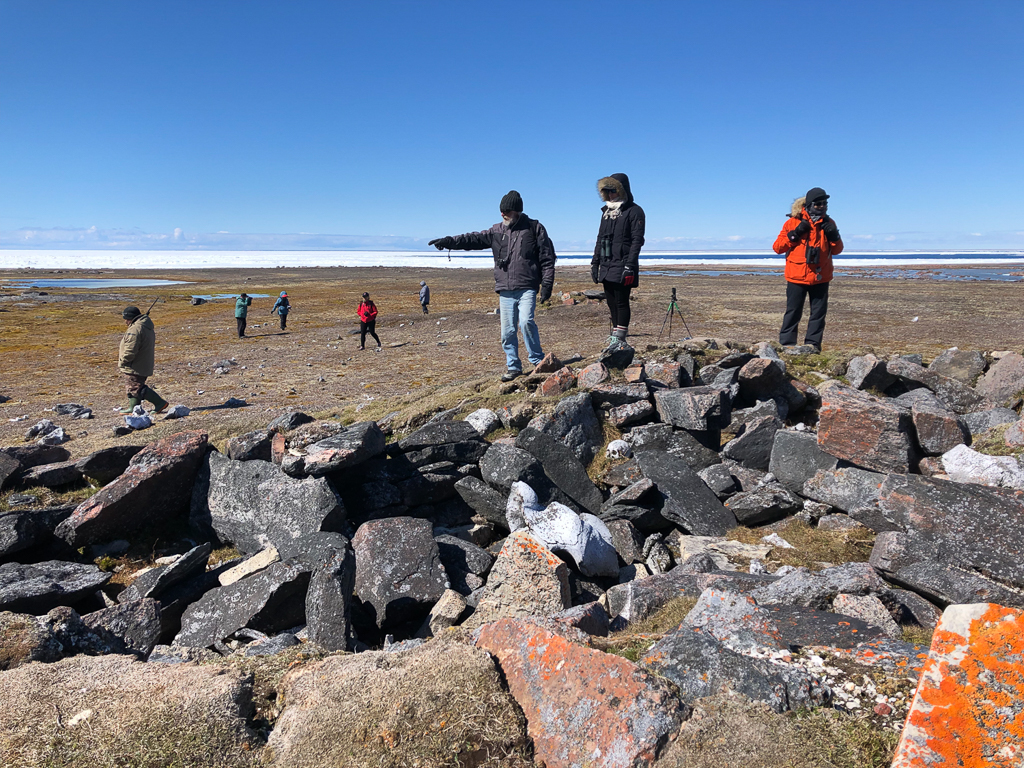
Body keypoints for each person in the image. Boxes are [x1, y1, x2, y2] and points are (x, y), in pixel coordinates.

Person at [428, 190, 555, 381]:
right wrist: (449, 242)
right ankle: (513, 367)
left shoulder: (534, 228)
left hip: (527, 285)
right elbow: (472, 239)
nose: (502, 213)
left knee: (526, 321)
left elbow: (547, 257)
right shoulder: (496, 231)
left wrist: (547, 284)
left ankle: (538, 361)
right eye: (501, 210)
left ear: (517, 211)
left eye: (507, 210)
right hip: (505, 288)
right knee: (508, 331)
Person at [772, 186, 844, 352]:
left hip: (820, 276)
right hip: (796, 276)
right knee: (793, 311)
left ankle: (813, 345)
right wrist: (795, 234)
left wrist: (835, 236)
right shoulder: (792, 222)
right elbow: (777, 247)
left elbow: (838, 250)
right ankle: (787, 344)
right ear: (809, 204)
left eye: (825, 203)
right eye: (818, 204)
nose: (822, 207)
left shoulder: (829, 223)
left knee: (818, 314)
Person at [591, 173, 645, 351]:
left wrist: (630, 266)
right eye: (607, 191)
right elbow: (600, 238)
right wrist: (595, 262)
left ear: (622, 190)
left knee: (621, 301)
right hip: (607, 264)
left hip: (623, 264)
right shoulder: (606, 212)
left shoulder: (635, 211)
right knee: (611, 301)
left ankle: (620, 338)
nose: (610, 194)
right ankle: (615, 335)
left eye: (613, 190)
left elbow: (637, 241)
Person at [118, 305, 168, 413]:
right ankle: (135, 408)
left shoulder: (135, 329)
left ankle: (160, 403)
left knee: (135, 387)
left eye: (126, 319)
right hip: (143, 362)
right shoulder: (145, 326)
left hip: (135, 364)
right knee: (135, 386)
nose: (125, 322)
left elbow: (130, 350)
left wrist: (123, 360)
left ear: (131, 318)